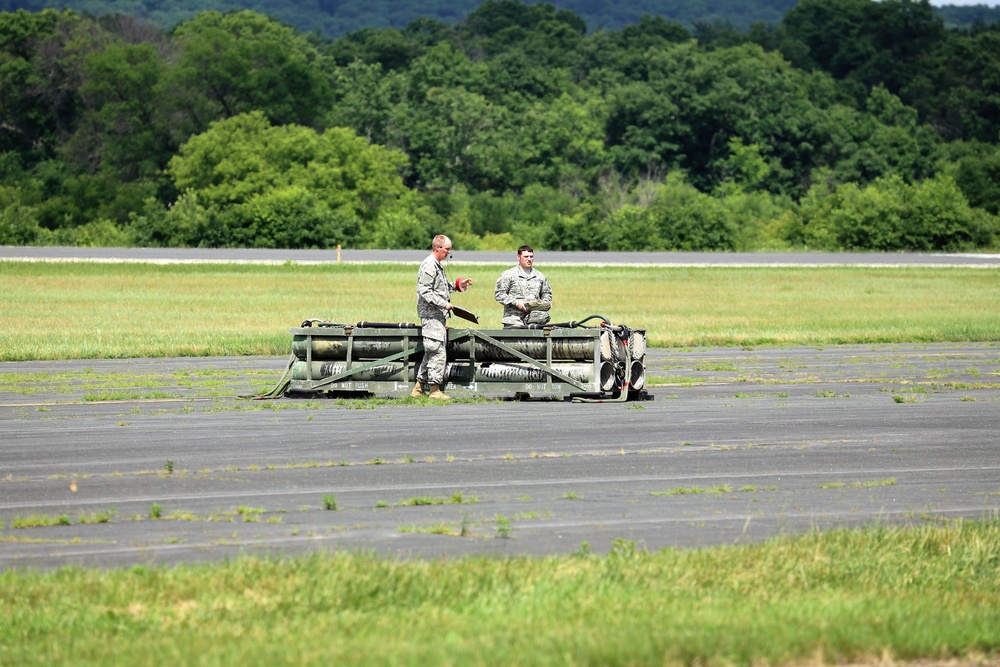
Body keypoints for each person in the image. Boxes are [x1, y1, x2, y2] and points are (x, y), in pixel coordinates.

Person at [412, 235, 472, 400]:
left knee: (431, 351)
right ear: (437, 248)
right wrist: (443, 303)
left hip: (437, 316)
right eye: (447, 249)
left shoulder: (437, 266)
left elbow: (440, 287)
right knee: (437, 352)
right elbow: (424, 291)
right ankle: (434, 390)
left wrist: (459, 285)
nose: (449, 252)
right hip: (431, 315)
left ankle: (418, 389)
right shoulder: (429, 266)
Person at [494, 245, 552, 328]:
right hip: (513, 320)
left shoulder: (540, 276)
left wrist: (542, 305)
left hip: (535, 320)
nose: (529, 259)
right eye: (526, 256)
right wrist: (517, 303)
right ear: (518, 257)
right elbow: (499, 295)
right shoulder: (508, 275)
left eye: (531, 256)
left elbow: (547, 294)